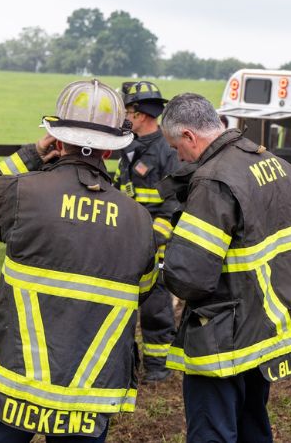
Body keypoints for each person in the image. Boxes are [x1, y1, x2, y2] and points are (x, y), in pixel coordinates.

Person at [0, 79, 157, 443]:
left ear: (58, 140)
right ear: (109, 152)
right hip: (90, 390)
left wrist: (31, 156)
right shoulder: (139, 220)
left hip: (16, 380)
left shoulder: (23, 194)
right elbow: (144, 287)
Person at [159, 93, 291, 443]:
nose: (178, 157)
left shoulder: (213, 182)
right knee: (252, 422)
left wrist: (163, 265)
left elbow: (190, 277)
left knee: (212, 430)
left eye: (176, 147)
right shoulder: (273, 163)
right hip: (264, 328)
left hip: (224, 334)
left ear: (190, 136)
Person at [115, 81, 179, 383]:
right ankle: (129, 362)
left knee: (156, 309)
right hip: (126, 242)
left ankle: (158, 366)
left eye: (128, 111)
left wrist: (154, 238)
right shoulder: (126, 147)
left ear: (141, 115)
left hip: (157, 246)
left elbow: (174, 202)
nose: (125, 117)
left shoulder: (167, 151)